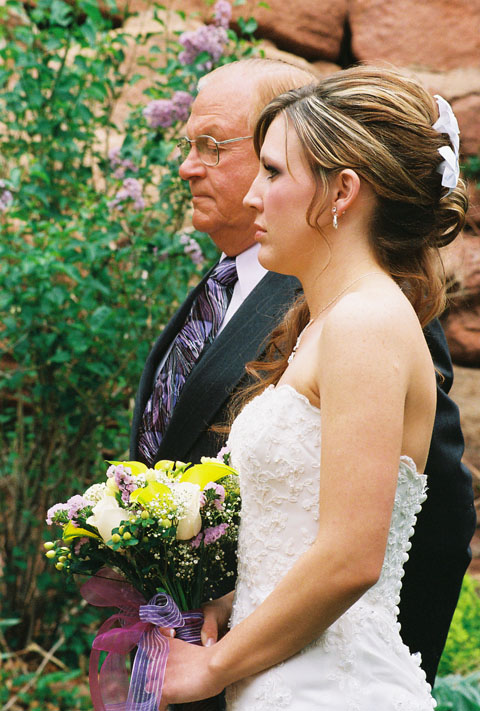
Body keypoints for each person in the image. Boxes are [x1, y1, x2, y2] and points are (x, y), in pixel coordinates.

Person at [129, 59, 475, 691]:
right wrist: (231, 599)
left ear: (341, 193)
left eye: (272, 172)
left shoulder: (366, 323)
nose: (254, 196)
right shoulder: (327, 319)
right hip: (277, 673)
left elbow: (352, 559)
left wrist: (212, 669)